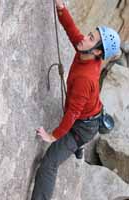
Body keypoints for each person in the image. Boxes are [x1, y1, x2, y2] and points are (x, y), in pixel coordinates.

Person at [31, 0, 121, 199]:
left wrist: (53, 136)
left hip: (82, 128)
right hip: (91, 114)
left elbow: (73, 114)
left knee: (48, 164)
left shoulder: (84, 79)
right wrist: (61, 8)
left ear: (97, 51)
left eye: (90, 38)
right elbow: (73, 32)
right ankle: (77, 146)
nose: (84, 38)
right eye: (90, 34)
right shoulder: (87, 53)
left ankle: (76, 144)